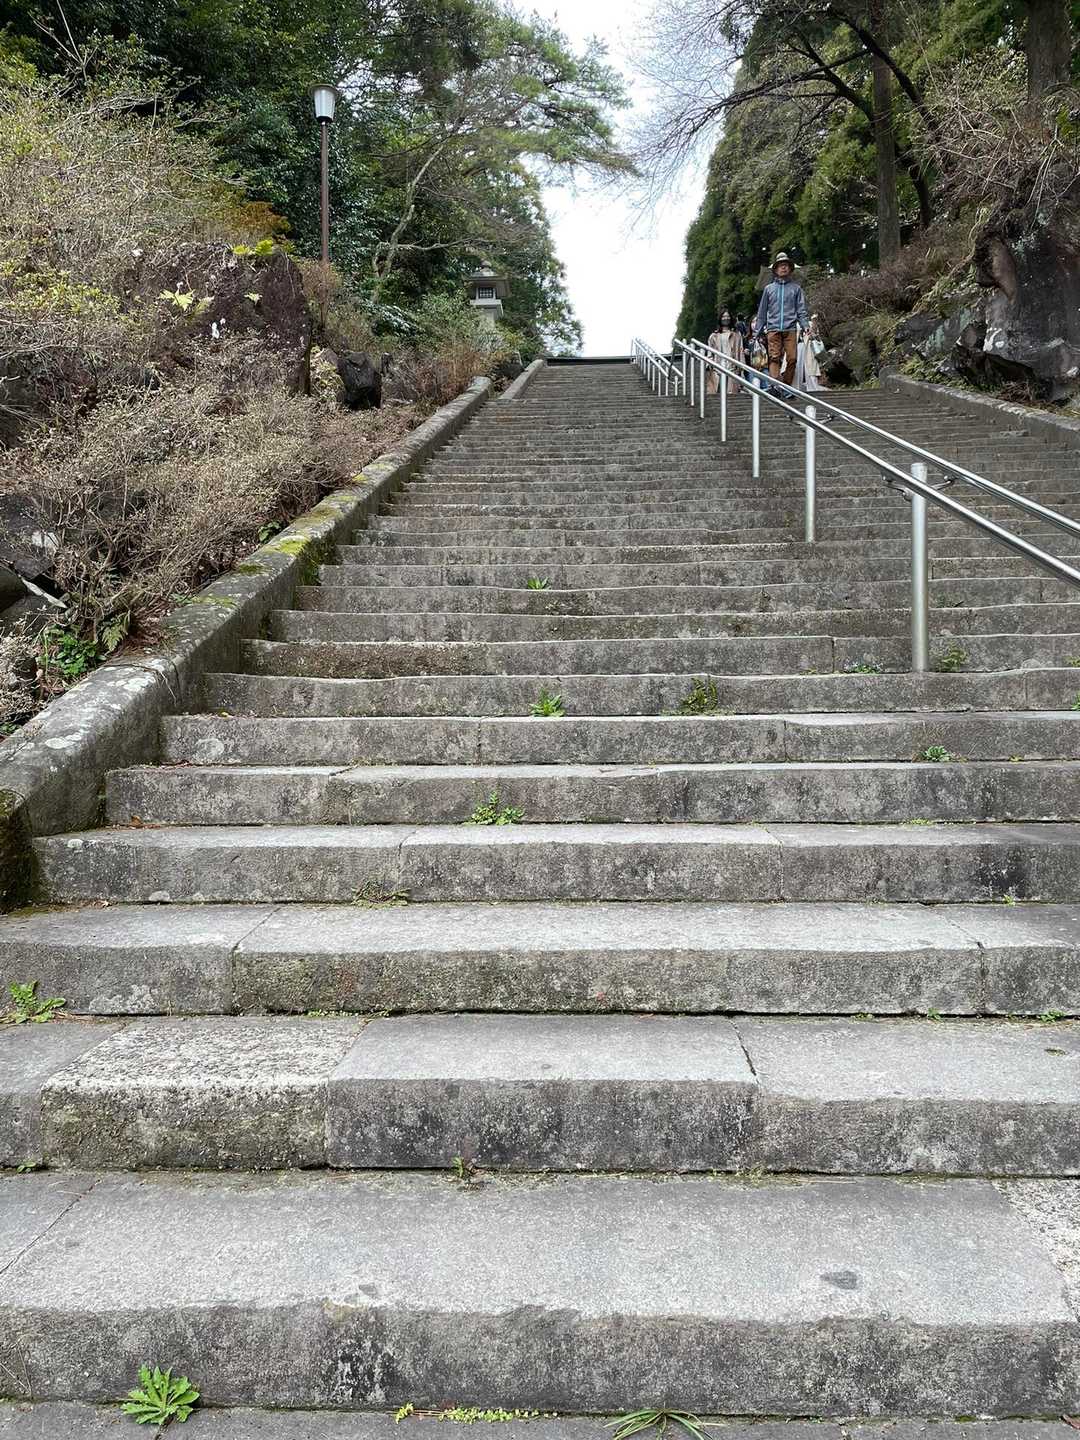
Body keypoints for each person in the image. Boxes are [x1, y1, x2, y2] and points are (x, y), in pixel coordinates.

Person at [752, 252, 810, 389]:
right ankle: (776, 386)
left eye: (786, 265)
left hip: (791, 328)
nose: (783, 267)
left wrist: (805, 325)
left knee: (792, 358)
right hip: (773, 328)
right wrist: (757, 331)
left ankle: (786, 385)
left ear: (790, 269)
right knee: (774, 357)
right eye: (780, 265)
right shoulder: (769, 289)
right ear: (775, 269)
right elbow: (762, 311)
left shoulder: (796, 289)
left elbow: (801, 310)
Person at [705, 309, 745, 395]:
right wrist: (709, 365)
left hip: (732, 367)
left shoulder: (737, 335)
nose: (726, 318)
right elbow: (710, 353)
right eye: (723, 316)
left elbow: (740, 351)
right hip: (717, 367)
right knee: (717, 393)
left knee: (731, 394)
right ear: (720, 318)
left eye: (727, 316)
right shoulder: (714, 336)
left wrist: (742, 368)